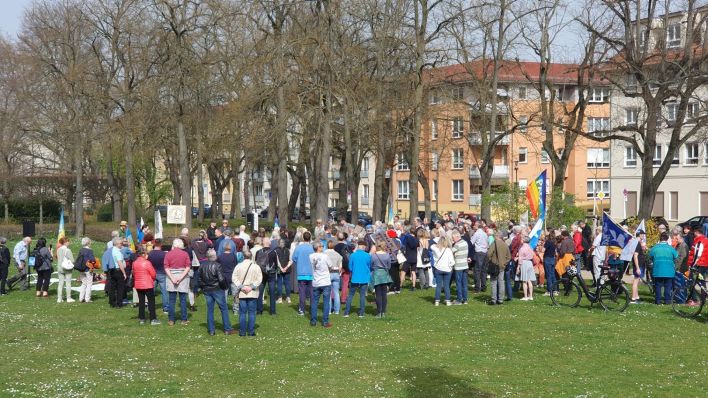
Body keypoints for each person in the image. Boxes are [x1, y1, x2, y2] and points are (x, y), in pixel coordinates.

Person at [199, 249, 234, 335]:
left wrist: (203, 287)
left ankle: (211, 330)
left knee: (210, 310)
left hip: (207, 290)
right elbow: (221, 279)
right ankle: (227, 329)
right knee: (224, 309)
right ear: (215, 256)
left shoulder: (202, 266)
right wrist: (225, 287)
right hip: (217, 289)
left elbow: (199, 279)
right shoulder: (217, 265)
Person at [233, 250, 262, 336]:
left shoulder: (238, 266)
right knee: (252, 312)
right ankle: (251, 332)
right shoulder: (256, 267)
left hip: (242, 292)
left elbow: (234, 277)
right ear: (251, 256)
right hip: (252, 292)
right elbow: (259, 279)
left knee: (242, 313)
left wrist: (241, 287)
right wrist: (251, 287)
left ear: (243, 256)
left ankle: (242, 332)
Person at [164, 238, 191, 325]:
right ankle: (184, 319)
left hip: (171, 277)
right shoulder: (185, 254)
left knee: (171, 300)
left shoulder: (168, 254)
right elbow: (188, 266)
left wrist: (172, 278)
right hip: (183, 278)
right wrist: (181, 277)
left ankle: (171, 320)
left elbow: (166, 267)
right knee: (183, 300)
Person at [649, 232, 678, 305]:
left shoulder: (654, 248)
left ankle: (658, 301)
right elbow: (676, 257)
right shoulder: (671, 248)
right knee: (668, 286)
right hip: (669, 270)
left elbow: (650, 256)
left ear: (660, 238)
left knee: (658, 286)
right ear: (667, 239)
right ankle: (667, 301)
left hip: (658, 270)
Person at [132, 248, 160, 325]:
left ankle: (142, 318)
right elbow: (153, 273)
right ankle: (153, 319)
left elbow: (134, 273)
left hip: (138, 284)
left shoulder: (134, 263)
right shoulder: (147, 263)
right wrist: (152, 278)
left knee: (141, 301)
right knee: (151, 301)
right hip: (147, 284)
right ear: (143, 254)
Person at [344, 240, 371, 317]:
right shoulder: (367, 255)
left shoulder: (353, 255)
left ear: (358, 247)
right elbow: (369, 266)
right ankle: (361, 313)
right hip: (364, 278)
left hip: (355, 277)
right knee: (362, 296)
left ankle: (346, 312)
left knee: (350, 295)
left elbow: (350, 267)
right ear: (364, 247)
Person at [309, 242, 333, 327]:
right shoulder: (325, 256)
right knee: (326, 302)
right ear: (318, 247)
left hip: (316, 281)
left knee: (314, 302)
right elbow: (331, 265)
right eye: (322, 246)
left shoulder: (311, 256)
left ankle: (313, 321)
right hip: (325, 281)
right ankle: (325, 321)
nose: (323, 247)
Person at [292, 232, 315, 315]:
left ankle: (302, 309)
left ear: (303, 238)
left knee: (302, 292)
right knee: (312, 292)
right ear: (310, 238)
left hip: (301, 272)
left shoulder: (298, 248)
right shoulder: (312, 248)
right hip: (311, 273)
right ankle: (313, 308)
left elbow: (294, 258)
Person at [430, 234, 454, 306]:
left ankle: (437, 301)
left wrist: (439, 241)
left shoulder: (436, 248)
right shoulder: (448, 250)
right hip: (447, 270)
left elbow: (431, 245)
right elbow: (452, 261)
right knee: (446, 286)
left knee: (438, 286)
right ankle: (448, 301)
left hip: (438, 269)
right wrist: (450, 267)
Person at [488, 231, 511, 305]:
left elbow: (488, 254)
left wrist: (490, 261)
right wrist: (504, 263)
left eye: (495, 235)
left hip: (494, 265)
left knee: (494, 282)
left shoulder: (494, 243)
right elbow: (509, 257)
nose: (494, 237)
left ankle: (494, 299)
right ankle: (500, 299)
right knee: (501, 282)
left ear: (497, 236)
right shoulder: (505, 244)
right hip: (502, 266)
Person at [371, 241, 393, 317]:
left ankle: (379, 312)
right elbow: (389, 266)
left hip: (376, 274)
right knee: (384, 294)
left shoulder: (373, 255)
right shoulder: (387, 255)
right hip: (384, 274)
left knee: (378, 294)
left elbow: (371, 265)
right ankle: (383, 312)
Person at [256, 237, 277, 315]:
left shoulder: (258, 252)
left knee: (260, 292)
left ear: (262, 243)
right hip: (271, 274)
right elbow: (276, 264)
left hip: (261, 273)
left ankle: (259, 310)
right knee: (272, 292)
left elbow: (256, 262)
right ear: (270, 243)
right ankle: (272, 311)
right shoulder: (273, 252)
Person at [148, 240, 168, 313]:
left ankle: (150, 308)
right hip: (162, 273)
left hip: (152, 274)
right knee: (164, 292)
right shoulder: (164, 254)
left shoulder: (150, 254)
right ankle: (165, 308)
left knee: (151, 292)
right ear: (161, 245)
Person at [74, 237, 96, 303]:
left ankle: (81, 298)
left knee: (83, 283)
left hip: (81, 269)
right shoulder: (90, 251)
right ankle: (87, 298)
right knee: (89, 284)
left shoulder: (81, 250)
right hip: (88, 269)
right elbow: (92, 260)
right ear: (88, 243)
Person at [324, 240, 342, 315]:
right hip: (336, 274)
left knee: (328, 293)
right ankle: (337, 310)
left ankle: (329, 310)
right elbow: (340, 266)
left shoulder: (324, 254)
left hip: (328, 274)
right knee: (336, 292)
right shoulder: (338, 254)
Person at [451, 230, 469, 305]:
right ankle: (465, 299)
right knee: (464, 283)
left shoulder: (457, 244)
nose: (453, 239)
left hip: (459, 266)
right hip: (465, 265)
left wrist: (452, 244)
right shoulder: (465, 242)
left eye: (453, 238)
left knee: (458, 283)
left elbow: (451, 251)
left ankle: (459, 299)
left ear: (457, 236)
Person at [470, 221, 489, 292]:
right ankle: (483, 287)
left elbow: (471, 242)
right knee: (484, 270)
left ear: (477, 226)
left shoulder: (476, 233)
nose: (473, 227)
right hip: (485, 252)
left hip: (479, 252)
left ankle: (477, 288)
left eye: (474, 225)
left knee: (477, 270)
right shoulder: (485, 233)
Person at [516, 237, 536, 301]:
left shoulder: (522, 248)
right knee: (529, 280)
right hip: (530, 262)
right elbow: (533, 255)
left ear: (524, 241)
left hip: (524, 263)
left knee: (524, 281)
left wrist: (518, 267)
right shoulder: (530, 248)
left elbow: (520, 258)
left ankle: (525, 296)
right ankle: (530, 296)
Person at [56, 237, 75, 303]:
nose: (69, 242)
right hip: (67, 268)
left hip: (60, 267)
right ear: (65, 242)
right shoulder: (68, 250)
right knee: (68, 283)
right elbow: (72, 260)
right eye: (68, 241)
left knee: (60, 283)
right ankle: (68, 298)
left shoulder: (58, 249)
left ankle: (59, 298)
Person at [400, 226, 418, 291]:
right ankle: (413, 286)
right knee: (413, 272)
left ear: (410, 231)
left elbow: (403, 245)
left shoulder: (407, 237)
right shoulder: (417, 239)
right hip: (415, 256)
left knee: (403, 271)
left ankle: (400, 285)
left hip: (407, 256)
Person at [274, 239, 292, 305]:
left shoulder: (275, 251)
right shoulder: (288, 250)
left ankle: (280, 298)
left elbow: (277, 261)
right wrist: (286, 267)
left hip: (280, 269)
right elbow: (290, 260)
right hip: (287, 268)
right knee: (287, 283)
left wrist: (281, 268)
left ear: (278, 244)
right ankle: (288, 297)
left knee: (279, 283)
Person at [542, 231, 557, 296]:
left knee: (548, 275)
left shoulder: (548, 242)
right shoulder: (555, 242)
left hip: (547, 258)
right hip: (552, 259)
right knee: (553, 274)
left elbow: (543, 250)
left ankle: (549, 290)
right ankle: (555, 290)